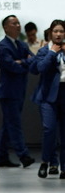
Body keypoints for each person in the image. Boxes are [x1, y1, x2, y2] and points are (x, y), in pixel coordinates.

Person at [0, 15, 35, 168]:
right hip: (8, 91)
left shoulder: (21, 45)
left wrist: (22, 62)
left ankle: (2, 156)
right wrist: (24, 63)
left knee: (8, 124)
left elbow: (33, 59)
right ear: (5, 27)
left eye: (18, 23)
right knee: (15, 124)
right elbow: (12, 66)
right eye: (14, 23)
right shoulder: (3, 45)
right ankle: (23, 155)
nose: (18, 25)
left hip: (19, 90)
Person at [29, 19, 65, 179]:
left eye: (62, 31)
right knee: (49, 130)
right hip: (48, 96)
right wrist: (52, 53)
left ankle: (63, 167)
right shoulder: (45, 50)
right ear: (50, 33)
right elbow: (40, 68)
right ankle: (47, 162)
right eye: (56, 31)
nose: (58, 34)